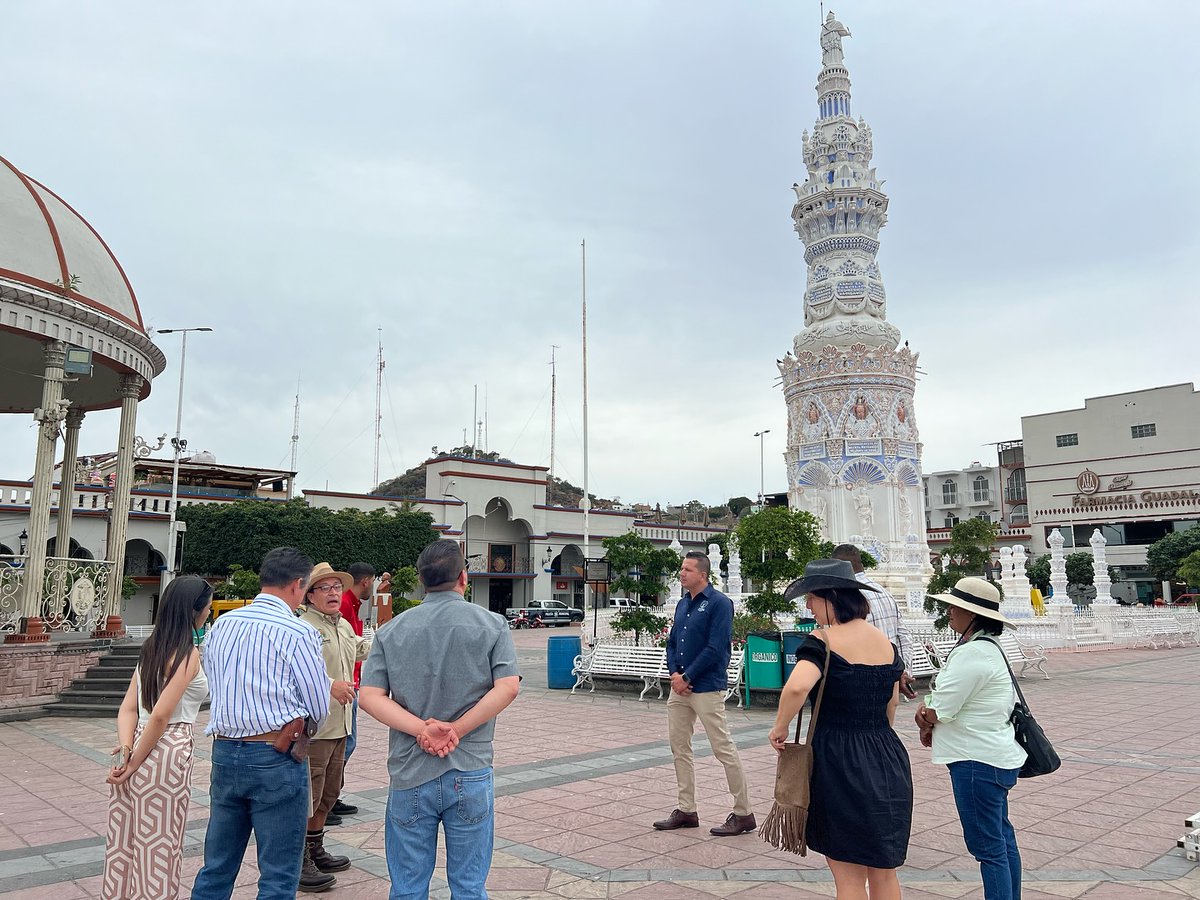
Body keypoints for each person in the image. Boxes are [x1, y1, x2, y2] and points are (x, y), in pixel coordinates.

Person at [360, 540, 520, 900]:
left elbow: (369, 696)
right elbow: (508, 687)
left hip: (410, 768)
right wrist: (457, 730)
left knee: (407, 887)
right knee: (468, 886)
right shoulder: (492, 625)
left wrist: (421, 729)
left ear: (421, 580)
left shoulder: (391, 631)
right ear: (464, 577)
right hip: (469, 766)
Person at [192, 547, 332, 900]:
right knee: (279, 873)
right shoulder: (297, 631)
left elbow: (212, 677)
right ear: (298, 585)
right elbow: (318, 702)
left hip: (225, 750)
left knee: (217, 865)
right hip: (276, 754)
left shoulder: (222, 624)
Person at [768, 559, 911, 900]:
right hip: (887, 756)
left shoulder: (823, 640)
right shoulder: (884, 643)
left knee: (847, 875)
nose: (808, 606)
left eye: (812, 599)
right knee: (884, 872)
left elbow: (797, 688)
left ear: (830, 598)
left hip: (838, 759)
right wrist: (875, 737)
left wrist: (780, 727)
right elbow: (891, 704)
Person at [915, 577, 1026, 900]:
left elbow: (943, 708)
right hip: (995, 755)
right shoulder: (991, 649)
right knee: (1002, 840)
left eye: (956, 607)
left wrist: (925, 714)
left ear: (973, 615)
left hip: (976, 761)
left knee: (988, 848)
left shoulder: (972, 654)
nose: (950, 612)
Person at [102, 575, 212, 899]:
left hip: (138, 741)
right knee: (160, 847)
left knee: (126, 843)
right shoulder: (187, 654)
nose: (209, 611)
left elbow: (128, 710)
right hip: (167, 750)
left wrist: (126, 753)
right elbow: (163, 715)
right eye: (207, 606)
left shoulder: (150, 648)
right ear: (194, 610)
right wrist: (134, 763)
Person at [654, 551, 755, 836]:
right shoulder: (683, 604)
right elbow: (672, 643)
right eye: (681, 569)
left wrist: (688, 676)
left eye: (687, 569)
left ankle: (743, 812)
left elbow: (716, 646)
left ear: (703, 574)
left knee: (723, 747)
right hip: (680, 688)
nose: (682, 573)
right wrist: (675, 674)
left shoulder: (719, 603)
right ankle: (686, 809)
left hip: (707, 686)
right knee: (679, 747)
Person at [298, 563, 372, 892]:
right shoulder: (303, 628)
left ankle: (316, 848)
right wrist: (330, 685)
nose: (332, 593)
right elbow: (297, 673)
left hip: (340, 725)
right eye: (324, 588)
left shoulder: (341, 625)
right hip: (316, 728)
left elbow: (362, 649)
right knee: (308, 797)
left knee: (328, 794)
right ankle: (299, 860)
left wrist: (389, 634)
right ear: (309, 596)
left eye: (336, 587)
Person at [332, 562, 389, 822]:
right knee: (341, 743)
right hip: (342, 685)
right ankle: (327, 799)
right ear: (366, 580)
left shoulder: (351, 604)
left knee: (345, 742)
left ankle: (331, 796)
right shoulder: (344, 605)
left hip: (350, 681)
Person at [831, 543, 916, 698]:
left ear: (839, 567)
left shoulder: (847, 598)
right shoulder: (884, 592)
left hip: (863, 680)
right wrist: (903, 672)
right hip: (889, 676)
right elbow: (904, 636)